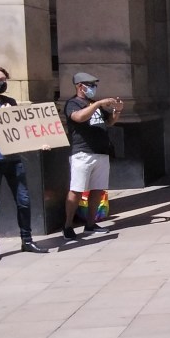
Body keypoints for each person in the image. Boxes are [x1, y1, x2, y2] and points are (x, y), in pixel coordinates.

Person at [0, 66, 48, 260]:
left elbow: (21, 130)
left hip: (13, 159)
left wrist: (41, 141)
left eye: (5, 79)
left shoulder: (10, 102)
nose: (3, 83)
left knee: (23, 200)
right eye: (0, 79)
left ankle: (27, 239)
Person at [63, 72, 122, 240]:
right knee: (76, 189)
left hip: (101, 152)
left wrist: (117, 111)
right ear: (80, 86)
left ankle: (90, 223)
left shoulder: (94, 104)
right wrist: (98, 104)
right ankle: (68, 225)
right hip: (83, 153)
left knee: (97, 189)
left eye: (94, 85)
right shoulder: (73, 103)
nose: (93, 88)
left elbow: (109, 122)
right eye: (90, 85)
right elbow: (79, 117)